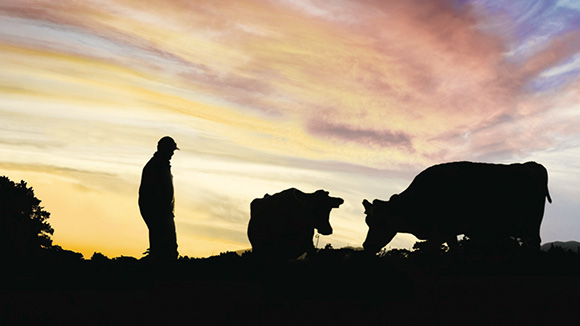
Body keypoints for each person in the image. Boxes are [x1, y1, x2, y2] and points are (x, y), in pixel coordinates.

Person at [138, 136, 179, 262]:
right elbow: (151, 194)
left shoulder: (161, 165)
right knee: (165, 248)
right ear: (164, 149)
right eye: (171, 150)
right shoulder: (156, 166)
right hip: (158, 211)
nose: (172, 153)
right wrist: (162, 212)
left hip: (162, 211)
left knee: (164, 246)